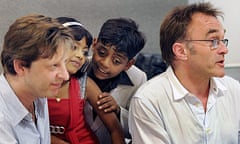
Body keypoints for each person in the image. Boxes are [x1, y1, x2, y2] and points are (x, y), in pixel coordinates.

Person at [129, 2, 240, 144]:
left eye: (222, 40)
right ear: (181, 51)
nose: (224, 50)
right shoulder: (148, 101)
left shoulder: (234, 90)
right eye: (213, 41)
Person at [48, 17, 125, 144]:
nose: (80, 56)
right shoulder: (36, 83)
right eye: (74, 47)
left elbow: (115, 129)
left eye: (84, 52)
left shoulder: (84, 83)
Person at [0, 14, 73, 143]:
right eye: (54, 66)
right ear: (21, 66)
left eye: (65, 62)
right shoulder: (2, 122)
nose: (65, 76)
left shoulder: (38, 93)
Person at [85, 17, 147, 144]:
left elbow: (138, 128)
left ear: (129, 64)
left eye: (117, 61)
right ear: (94, 44)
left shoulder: (138, 79)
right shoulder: (77, 68)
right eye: (101, 52)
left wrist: (118, 111)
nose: (105, 63)